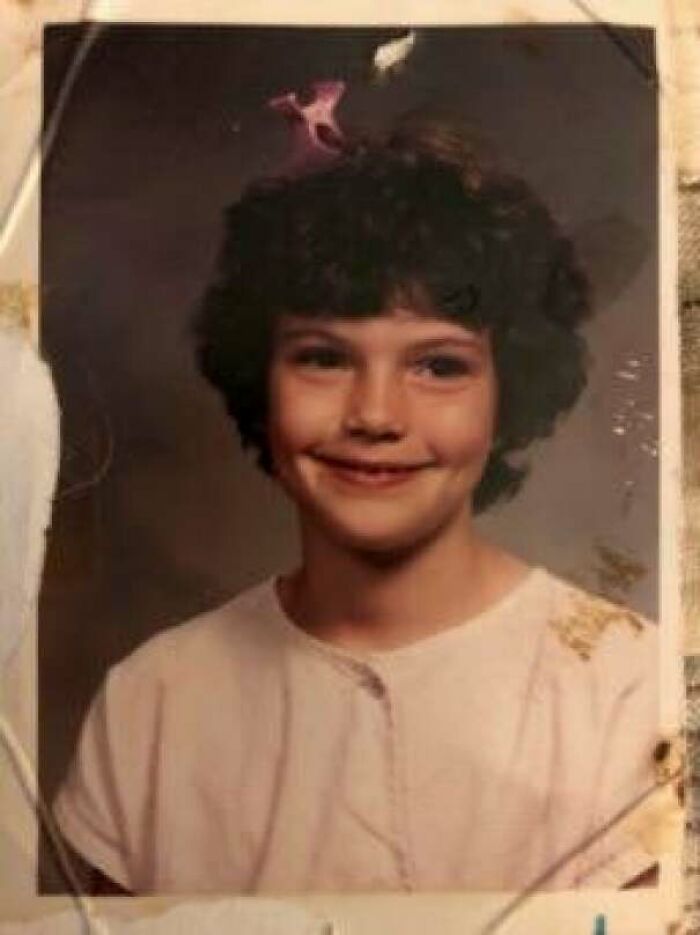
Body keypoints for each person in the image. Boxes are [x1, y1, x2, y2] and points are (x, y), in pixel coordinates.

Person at [52, 115, 659, 895]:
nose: (376, 414)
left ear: (510, 392)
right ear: (258, 380)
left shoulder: (627, 685)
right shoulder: (152, 702)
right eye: (324, 357)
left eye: (439, 364)